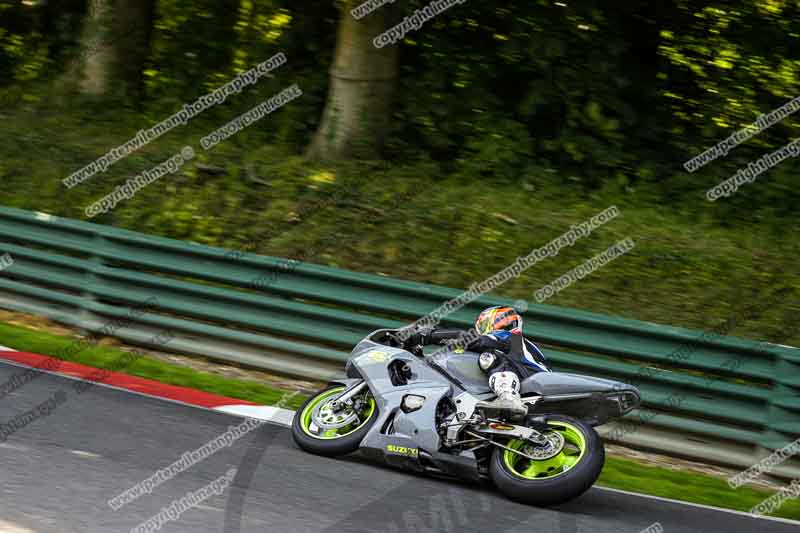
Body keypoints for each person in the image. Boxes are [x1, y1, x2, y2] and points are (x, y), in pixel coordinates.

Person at [403, 305, 549, 419]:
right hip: (529, 381)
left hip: (532, 381)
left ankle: (509, 398)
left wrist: (429, 336)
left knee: (488, 358)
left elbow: (473, 341)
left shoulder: (509, 337)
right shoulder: (517, 345)